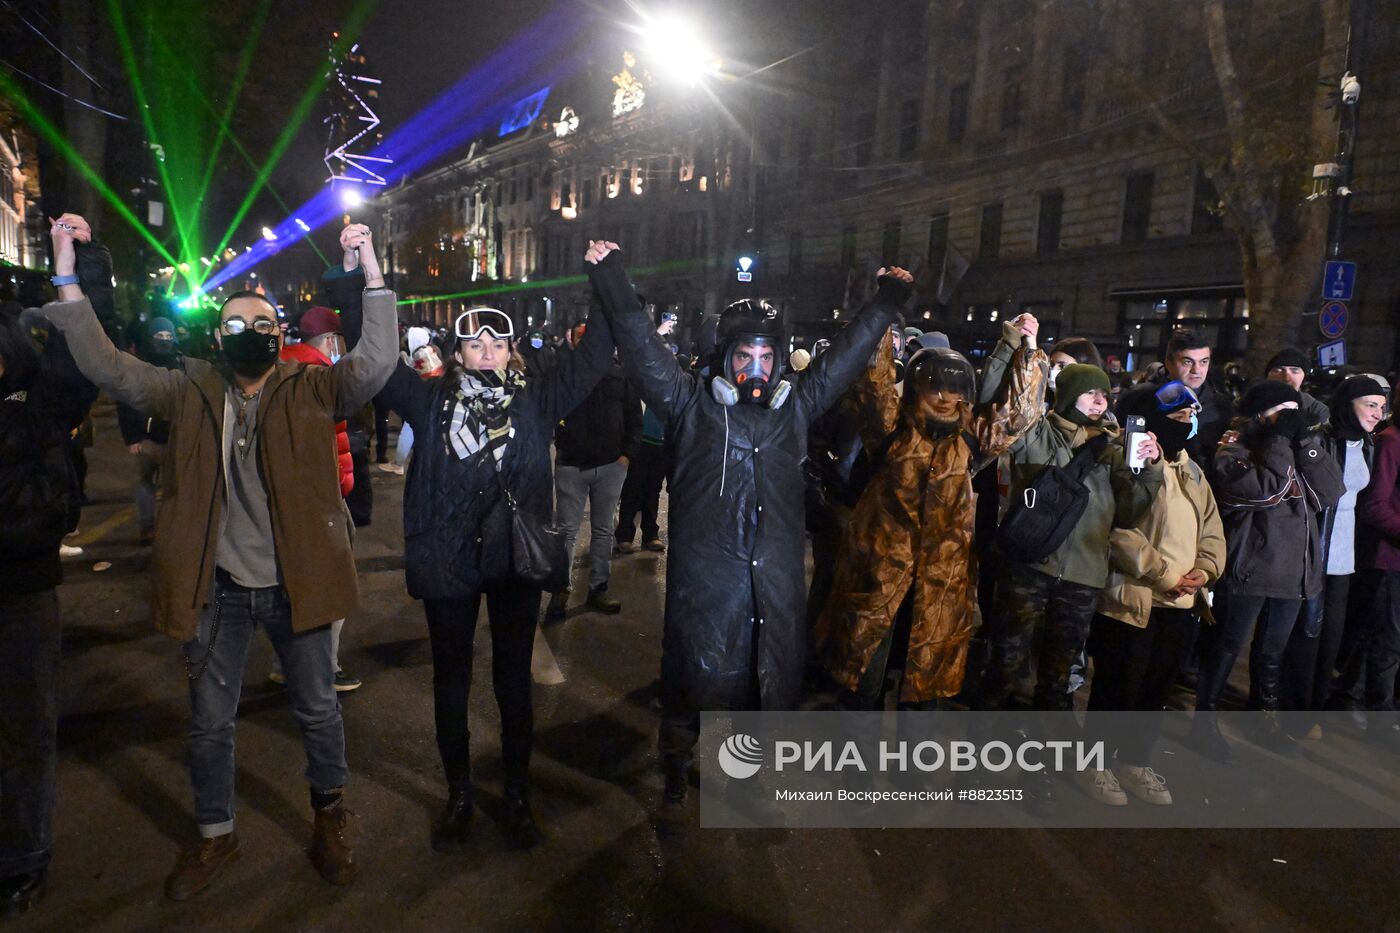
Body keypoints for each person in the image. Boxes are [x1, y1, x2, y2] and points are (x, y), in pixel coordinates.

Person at [41, 216, 398, 899]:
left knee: (319, 711)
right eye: (236, 324)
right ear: (217, 335)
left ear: (281, 336)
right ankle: (215, 834)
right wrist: (65, 267)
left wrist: (370, 269)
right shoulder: (191, 388)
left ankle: (329, 817)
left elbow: (375, 363)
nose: (249, 334)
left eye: (262, 324)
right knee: (208, 722)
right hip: (221, 589)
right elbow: (106, 365)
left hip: (299, 585)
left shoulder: (311, 386)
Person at [584, 239, 913, 831]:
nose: (755, 370)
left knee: (768, 685)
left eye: (766, 358)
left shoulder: (796, 410)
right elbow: (642, 348)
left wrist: (886, 302)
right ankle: (677, 769)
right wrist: (611, 278)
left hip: (775, 581)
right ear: (723, 361)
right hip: (709, 583)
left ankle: (759, 782)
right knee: (693, 678)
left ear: (780, 362)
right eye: (744, 357)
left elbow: (844, 358)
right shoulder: (691, 408)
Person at [377, 295, 619, 852]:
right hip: (449, 559)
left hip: (515, 560)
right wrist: (357, 278)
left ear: (511, 352)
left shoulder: (536, 400)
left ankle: (515, 795)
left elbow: (593, 357)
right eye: (475, 345)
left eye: (497, 345)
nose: (487, 353)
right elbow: (375, 360)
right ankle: (458, 794)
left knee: (513, 684)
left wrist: (604, 282)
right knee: (452, 680)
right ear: (458, 353)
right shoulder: (429, 399)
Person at [816, 314, 1047, 710]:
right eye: (934, 385)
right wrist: (880, 322)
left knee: (924, 685)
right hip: (879, 576)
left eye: (955, 388)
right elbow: (872, 386)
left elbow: (1018, 416)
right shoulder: (891, 430)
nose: (944, 395)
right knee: (863, 678)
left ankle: (913, 765)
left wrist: (1027, 350)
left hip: (941, 585)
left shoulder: (971, 441)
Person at [979, 363, 1162, 801]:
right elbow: (998, 407)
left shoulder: (1113, 446)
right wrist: (1014, 350)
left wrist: (1147, 468)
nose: (1101, 400)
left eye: (1105, 393)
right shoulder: (1038, 432)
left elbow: (1131, 510)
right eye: (1091, 392)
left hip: (1082, 577)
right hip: (1029, 567)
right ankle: (983, 757)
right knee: (1005, 662)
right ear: (1068, 395)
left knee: (1058, 679)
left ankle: (1039, 768)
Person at [0, 298, 95, 918]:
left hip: (20, 590)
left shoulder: (33, 400)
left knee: (23, 732)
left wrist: (77, 278)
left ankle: (21, 859)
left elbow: (81, 375)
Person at [1087, 381, 1226, 805]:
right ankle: (1094, 764)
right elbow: (1117, 529)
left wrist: (1205, 569)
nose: (1187, 425)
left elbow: (1212, 528)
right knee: (1118, 687)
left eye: (1191, 417)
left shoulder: (1191, 468)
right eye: (1178, 417)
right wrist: (1165, 574)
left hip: (1181, 605)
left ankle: (1133, 760)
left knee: (1154, 690)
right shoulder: (1127, 460)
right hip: (1135, 600)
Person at [1192, 380, 1345, 761]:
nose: (1289, 420)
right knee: (1226, 646)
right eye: (1283, 412)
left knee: (1271, 653)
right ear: (1260, 413)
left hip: (1295, 572)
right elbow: (1263, 491)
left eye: (1295, 412)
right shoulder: (1235, 445)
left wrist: (1305, 442)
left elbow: (1330, 492)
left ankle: (1264, 721)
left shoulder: (1297, 446)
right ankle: (1204, 722)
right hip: (1251, 566)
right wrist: (1278, 442)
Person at [1281, 375, 1386, 736]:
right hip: (1313, 548)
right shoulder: (1320, 439)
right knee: (1305, 634)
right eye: (1370, 405)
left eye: (1382, 407)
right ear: (1348, 404)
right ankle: (1290, 711)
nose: (1377, 413)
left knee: (1330, 638)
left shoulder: (1367, 444)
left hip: (1344, 554)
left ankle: (1312, 709)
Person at [269, 305, 361, 693]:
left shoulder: (278, 368)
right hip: (320, 501)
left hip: (290, 499)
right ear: (329, 339)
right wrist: (337, 483)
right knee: (332, 588)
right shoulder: (319, 375)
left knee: (294, 586)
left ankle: (284, 664)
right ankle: (324, 668)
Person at [548, 322, 642, 618]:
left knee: (603, 531)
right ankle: (560, 591)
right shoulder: (564, 372)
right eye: (580, 337)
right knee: (566, 532)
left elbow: (633, 418)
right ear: (571, 340)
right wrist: (561, 434)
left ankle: (598, 588)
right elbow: (550, 409)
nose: (587, 342)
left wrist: (627, 454)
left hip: (611, 465)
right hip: (571, 466)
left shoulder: (619, 374)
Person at [1352, 382, 1400, 751]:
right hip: (1387, 561)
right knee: (1386, 641)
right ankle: (1379, 719)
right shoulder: (1391, 441)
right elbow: (1375, 506)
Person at [1117, 328, 1231, 471]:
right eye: (1188, 362)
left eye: (1203, 362)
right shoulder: (1137, 398)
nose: (1197, 370)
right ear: (1168, 363)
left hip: (1199, 487)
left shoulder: (1220, 405)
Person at [117, 317, 181, 544]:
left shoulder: (181, 365)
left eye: (168, 336)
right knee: (146, 480)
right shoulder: (138, 368)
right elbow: (125, 403)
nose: (164, 341)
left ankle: (174, 525)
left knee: (177, 484)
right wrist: (132, 437)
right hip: (147, 438)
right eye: (159, 336)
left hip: (176, 437)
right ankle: (147, 525)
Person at [1265, 347, 1330, 427]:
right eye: (1278, 370)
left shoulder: (1317, 410)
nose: (1286, 378)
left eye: (1295, 371)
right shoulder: (1252, 404)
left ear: (1304, 377)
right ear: (1268, 376)